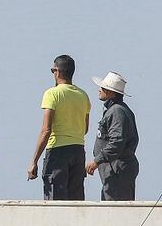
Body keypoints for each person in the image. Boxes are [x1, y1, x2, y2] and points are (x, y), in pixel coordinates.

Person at [28, 55, 91, 200]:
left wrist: (34, 161)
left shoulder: (52, 94)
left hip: (58, 151)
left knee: (55, 201)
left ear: (57, 71)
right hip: (78, 150)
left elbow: (46, 130)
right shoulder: (83, 95)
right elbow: (85, 129)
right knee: (75, 202)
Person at [85, 72, 139, 201]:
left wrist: (97, 160)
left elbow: (116, 143)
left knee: (116, 212)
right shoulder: (118, 110)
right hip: (115, 170)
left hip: (117, 171)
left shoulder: (117, 111)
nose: (99, 90)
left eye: (102, 88)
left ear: (110, 92)